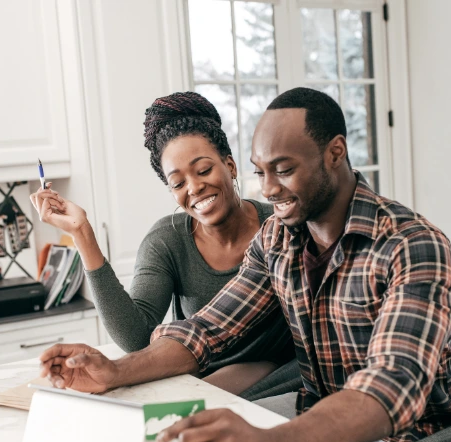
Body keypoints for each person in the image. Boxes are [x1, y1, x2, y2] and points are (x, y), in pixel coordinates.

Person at [38, 87, 451, 442]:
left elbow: (392, 386)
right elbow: (207, 330)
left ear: (335, 153)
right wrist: (115, 371)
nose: (268, 189)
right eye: (260, 172)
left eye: (283, 170)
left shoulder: (412, 245)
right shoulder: (279, 237)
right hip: (317, 414)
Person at [31, 92, 296, 397]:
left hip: (277, 384)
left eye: (204, 170)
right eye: (178, 183)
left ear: (230, 165)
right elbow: (137, 338)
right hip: (193, 382)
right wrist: (82, 234)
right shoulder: (167, 241)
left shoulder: (280, 229)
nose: (194, 188)